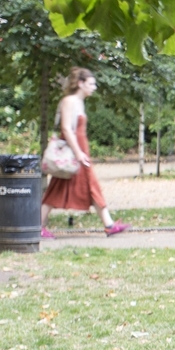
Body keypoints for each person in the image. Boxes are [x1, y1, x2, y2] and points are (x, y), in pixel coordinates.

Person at [40, 68, 130, 238]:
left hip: (80, 150)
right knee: (82, 185)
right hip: (74, 153)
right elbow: (66, 129)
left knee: (78, 186)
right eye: (91, 84)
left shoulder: (79, 102)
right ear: (80, 83)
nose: (94, 87)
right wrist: (78, 153)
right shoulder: (69, 101)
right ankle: (108, 224)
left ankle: (108, 224)